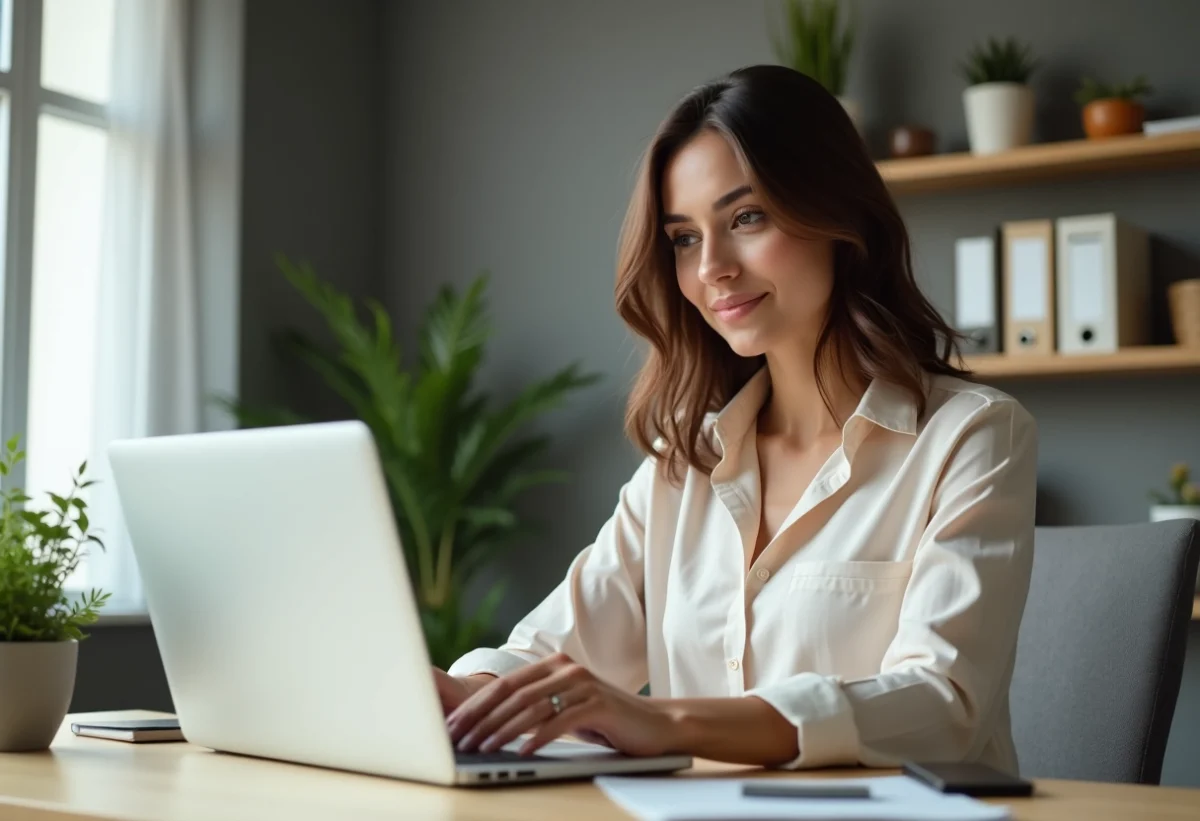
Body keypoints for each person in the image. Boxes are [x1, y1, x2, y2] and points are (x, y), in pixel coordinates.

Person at [435, 64, 1037, 772]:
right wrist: (454, 694)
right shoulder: (682, 457)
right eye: (684, 237)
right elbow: (552, 650)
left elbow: (941, 706)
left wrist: (663, 719)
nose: (712, 267)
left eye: (746, 218)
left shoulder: (972, 437)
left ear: (837, 216)